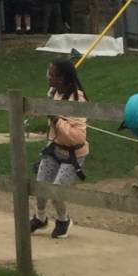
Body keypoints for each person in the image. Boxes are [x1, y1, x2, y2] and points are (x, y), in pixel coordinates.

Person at [32, 56, 89, 239]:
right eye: (48, 73)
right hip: (54, 149)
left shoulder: (78, 101)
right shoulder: (54, 93)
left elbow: (77, 137)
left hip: (73, 154)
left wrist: (55, 118)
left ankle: (63, 220)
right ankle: (40, 218)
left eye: (52, 75)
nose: (48, 77)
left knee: (57, 191)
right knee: (41, 185)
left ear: (63, 78)